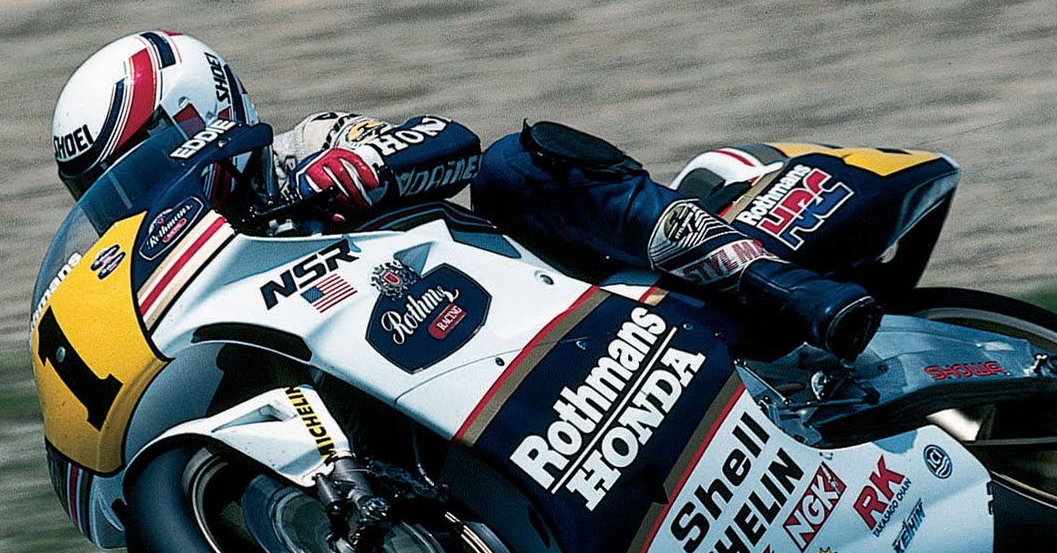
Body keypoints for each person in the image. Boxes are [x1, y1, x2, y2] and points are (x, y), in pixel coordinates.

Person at [50, 32, 881, 360]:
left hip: (532, 298)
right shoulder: (187, 280)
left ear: (200, 116)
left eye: (137, 169)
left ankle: (788, 286)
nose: (129, 201)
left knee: (518, 166)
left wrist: (357, 169)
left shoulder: (306, 146)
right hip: (420, 365)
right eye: (105, 191)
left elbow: (449, 139)